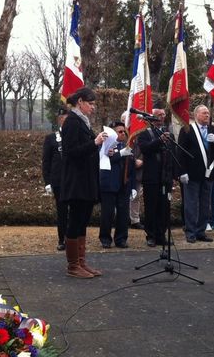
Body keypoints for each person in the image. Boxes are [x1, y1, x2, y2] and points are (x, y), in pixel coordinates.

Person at [60, 87, 109, 279]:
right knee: (75, 221)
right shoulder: (72, 122)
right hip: (77, 182)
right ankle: (73, 265)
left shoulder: (83, 122)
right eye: (90, 103)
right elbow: (71, 152)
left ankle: (81, 262)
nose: (93, 107)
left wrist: (103, 148)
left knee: (82, 222)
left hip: (86, 180)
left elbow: (86, 150)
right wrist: (94, 143)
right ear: (80, 102)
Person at [177, 105, 214, 243]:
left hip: (208, 174)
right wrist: (182, 172)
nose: (207, 115)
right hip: (191, 174)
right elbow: (180, 153)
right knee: (191, 204)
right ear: (196, 115)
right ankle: (190, 232)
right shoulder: (187, 129)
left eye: (208, 113)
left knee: (205, 204)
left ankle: (201, 231)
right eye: (204, 113)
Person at [137, 108, 175, 247]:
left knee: (164, 207)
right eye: (158, 115)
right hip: (151, 177)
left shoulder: (169, 133)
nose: (161, 117)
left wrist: (175, 174)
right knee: (151, 208)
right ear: (151, 117)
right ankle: (151, 236)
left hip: (165, 177)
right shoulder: (144, 134)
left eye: (163, 115)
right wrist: (159, 140)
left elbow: (173, 154)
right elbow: (145, 149)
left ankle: (161, 235)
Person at [98, 121, 136, 249]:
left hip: (124, 184)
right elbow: (106, 159)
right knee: (107, 214)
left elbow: (132, 167)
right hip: (109, 184)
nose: (123, 134)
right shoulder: (105, 144)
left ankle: (121, 239)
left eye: (124, 131)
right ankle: (105, 238)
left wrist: (133, 186)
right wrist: (120, 153)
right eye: (120, 131)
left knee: (123, 214)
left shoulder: (128, 146)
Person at [41, 107, 69, 251]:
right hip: (58, 181)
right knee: (62, 211)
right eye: (63, 118)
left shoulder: (75, 137)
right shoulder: (51, 138)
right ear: (59, 120)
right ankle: (62, 239)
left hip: (73, 180)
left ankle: (73, 238)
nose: (65, 121)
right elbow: (46, 162)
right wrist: (47, 182)